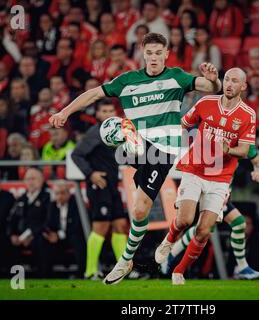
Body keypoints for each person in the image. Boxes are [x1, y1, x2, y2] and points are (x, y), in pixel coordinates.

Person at [49, 32, 221, 285]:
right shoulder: (127, 81)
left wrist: (214, 81)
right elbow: (93, 95)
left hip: (161, 150)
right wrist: (64, 111)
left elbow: (210, 88)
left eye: (157, 53)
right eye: (149, 53)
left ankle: (124, 260)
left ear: (166, 54)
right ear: (143, 53)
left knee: (140, 202)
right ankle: (127, 260)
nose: (153, 57)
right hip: (139, 150)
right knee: (139, 210)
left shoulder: (176, 77)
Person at [154, 68, 256, 285]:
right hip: (194, 169)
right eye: (226, 79)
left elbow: (246, 151)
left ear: (243, 86)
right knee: (185, 220)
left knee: (203, 231)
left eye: (235, 81)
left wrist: (229, 149)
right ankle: (168, 241)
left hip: (220, 178)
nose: (229, 84)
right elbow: (184, 124)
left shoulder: (248, 114)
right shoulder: (206, 102)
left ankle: (178, 271)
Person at [163, 145, 259, 280]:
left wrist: (258, 171)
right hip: (208, 188)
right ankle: (242, 266)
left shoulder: (244, 144)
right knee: (235, 223)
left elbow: (257, 162)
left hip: (222, 191)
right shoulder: (213, 137)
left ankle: (170, 256)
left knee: (206, 228)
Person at [71, 99, 129, 280]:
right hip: (99, 186)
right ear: (97, 114)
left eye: (111, 110)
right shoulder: (95, 132)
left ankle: (122, 271)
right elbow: (76, 154)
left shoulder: (116, 131)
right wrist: (91, 174)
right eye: (104, 111)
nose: (108, 114)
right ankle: (90, 271)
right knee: (101, 227)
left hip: (112, 185)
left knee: (120, 225)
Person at [8, 167, 52, 277]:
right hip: (21, 236)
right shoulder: (21, 199)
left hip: (37, 235)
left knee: (42, 242)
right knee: (5, 242)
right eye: (28, 179)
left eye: (33, 178)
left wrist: (31, 235)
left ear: (41, 180)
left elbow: (48, 221)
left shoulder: (48, 197)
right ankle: (15, 281)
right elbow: (12, 219)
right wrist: (12, 234)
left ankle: (42, 279)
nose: (30, 182)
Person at [43, 181, 86, 279]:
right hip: (58, 239)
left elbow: (77, 226)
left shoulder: (76, 203)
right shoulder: (52, 205)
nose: (59, 196)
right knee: (43, 242)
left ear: (68, 193)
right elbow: (47, 223)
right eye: (57, 193)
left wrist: (59, 235)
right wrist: (50, 234)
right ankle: (45, 275)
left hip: (73, 237)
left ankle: (81, 274)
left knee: (78, 240)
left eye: (62, 193)